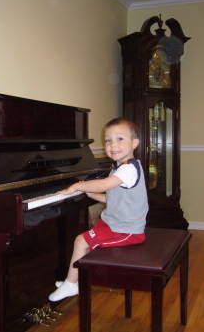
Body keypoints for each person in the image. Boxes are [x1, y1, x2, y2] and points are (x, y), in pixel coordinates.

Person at [48, 117, 148, 302]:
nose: (112, 145)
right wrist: (93, 195)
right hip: (115, 224)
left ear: (135, 143)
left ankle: (71, 284)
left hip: (127, 230)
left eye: (120, 139)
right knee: (82, 241)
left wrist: (79, 186)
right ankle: (73, 280)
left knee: (81, 241)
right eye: (108, 140)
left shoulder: (127, 170)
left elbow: (103, 185)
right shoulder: (123, 167)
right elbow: (114, 198)